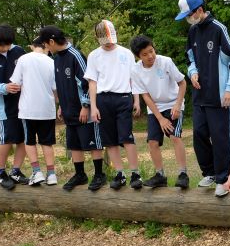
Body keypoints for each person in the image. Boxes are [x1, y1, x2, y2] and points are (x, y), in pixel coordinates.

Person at [176, 0, 230, 197]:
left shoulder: (218, 29)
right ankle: (210, 173)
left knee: (221, 139)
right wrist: (193, 72)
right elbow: (190, 58)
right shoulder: (193, 32)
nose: (188, 19)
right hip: (200, 98)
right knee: (199, 136)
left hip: (221, 97)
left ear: (199, 10)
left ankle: (224, 179)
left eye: (189, 14)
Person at [40, 26, 106, 191]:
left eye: (46, 45)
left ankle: (99, 174)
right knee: (74, 144)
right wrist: (61, 105)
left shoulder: (75, 56)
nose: (46, 49)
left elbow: (87, 81)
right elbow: (62, 85)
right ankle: (80, 174)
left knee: (92, 143)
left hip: (84, 111)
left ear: (52, 42)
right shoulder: (56, 59)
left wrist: (85, 105)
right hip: (69, 111)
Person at [84, 19, 143, 190]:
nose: (109, 45)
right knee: (109, 140)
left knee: (126, 137)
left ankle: (135, 173)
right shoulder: (94, 55)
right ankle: (120, 173)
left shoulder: (126, 53)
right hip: (103, 99)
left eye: (111, 42)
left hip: (124, 98)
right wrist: (93, 107)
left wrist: (137, 100)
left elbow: (134, 79)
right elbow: (92, 83)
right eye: (105, 42)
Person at [129, 35, 189, 189]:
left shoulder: (166, 62)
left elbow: (182, 84)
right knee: (152, 142)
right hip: (155, 107)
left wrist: (177, 105)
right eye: (145, 54)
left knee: (175, 136)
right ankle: (160, 175)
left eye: (151, 51)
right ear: (138, 56)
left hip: (174, 103)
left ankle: (183, 174)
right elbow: (145, 96)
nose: (150, 56)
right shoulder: (135, 70)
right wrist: (160, 119)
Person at [0, 24, 29, 189]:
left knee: (24, 138)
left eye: (9, 44)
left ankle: (16, 171)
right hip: (5, 107)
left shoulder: (19, 51)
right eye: (3, 45)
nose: (6, 48)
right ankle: (0, 172)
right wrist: (5, 88)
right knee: (7, 139)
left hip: (24, 104)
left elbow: (28, 72)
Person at [9, 37, 58, 185]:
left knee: (29, 142)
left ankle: (37, 172)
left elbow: (15, 83)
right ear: (45, 46)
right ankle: (51, 174)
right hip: (47, 109)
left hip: (28, 109)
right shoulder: (52, 62)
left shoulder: (23, 59)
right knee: (47, 143)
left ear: (33, 46)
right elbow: (56, 89)